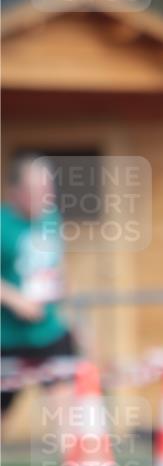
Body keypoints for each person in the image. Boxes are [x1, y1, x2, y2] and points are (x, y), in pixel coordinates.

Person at [1, 154, 77, 416]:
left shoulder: (51, 219)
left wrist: (62, 287)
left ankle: (73, 457)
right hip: (7, 335)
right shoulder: (2, 223)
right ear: (16, 191)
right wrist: (16, 300)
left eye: (48, 189)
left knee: (65, 402)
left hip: (48, 331)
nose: (46, 196)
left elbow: (56, 263)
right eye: (37, 190)